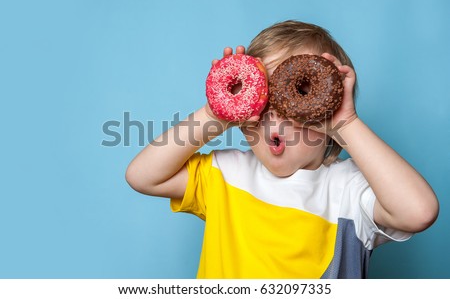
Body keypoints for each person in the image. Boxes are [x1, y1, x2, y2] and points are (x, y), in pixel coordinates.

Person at [125, 20, 439, 278]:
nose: (275, 113)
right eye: (262, 98)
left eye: (300, 94)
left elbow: (419, 212)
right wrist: (214, 114)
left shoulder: (350, 192)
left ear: (327, 109)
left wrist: (347, 123)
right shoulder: (226, 175)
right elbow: (143, 176)